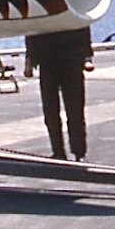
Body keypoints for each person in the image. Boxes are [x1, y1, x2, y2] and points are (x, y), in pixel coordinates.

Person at [24, 27, 95, 161]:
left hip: (71, 58)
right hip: (47, 61)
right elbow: (32, 28)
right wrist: (29, 60)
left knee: (75, 111)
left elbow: (83, 24)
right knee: (51, 112)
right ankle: (58, 151)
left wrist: (87, 56)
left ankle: (79, 152)